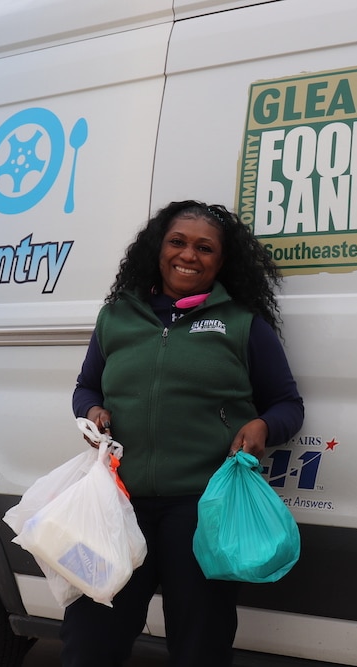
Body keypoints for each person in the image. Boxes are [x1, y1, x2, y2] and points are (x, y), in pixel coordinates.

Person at [61, 200, 305, 666]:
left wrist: (261, 426)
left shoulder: (242, 323)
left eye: (204, 248)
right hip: (118, 501)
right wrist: (92, 410)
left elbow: (287, 405)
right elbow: (86, 385)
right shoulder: (117, 316)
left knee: (200, 647)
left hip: (200, 509)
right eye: (177, 242)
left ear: (222, 260)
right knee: (89, 640)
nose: (188, 255)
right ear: (158, 248)